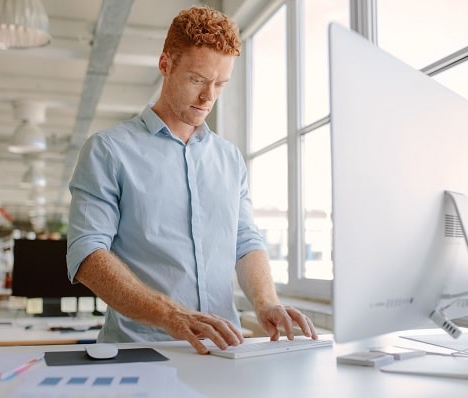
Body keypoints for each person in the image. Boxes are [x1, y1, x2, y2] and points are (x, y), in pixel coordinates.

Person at [66, 5, 317, 355]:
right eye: (197, 79)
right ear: (165, 65)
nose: (208, 96)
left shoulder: (229, 159)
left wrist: (266, 303)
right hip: (138, 353)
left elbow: (245, 241)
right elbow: (88, 254)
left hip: (223, 351)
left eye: (220, 84)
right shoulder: (108, 150)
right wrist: (172, 315)